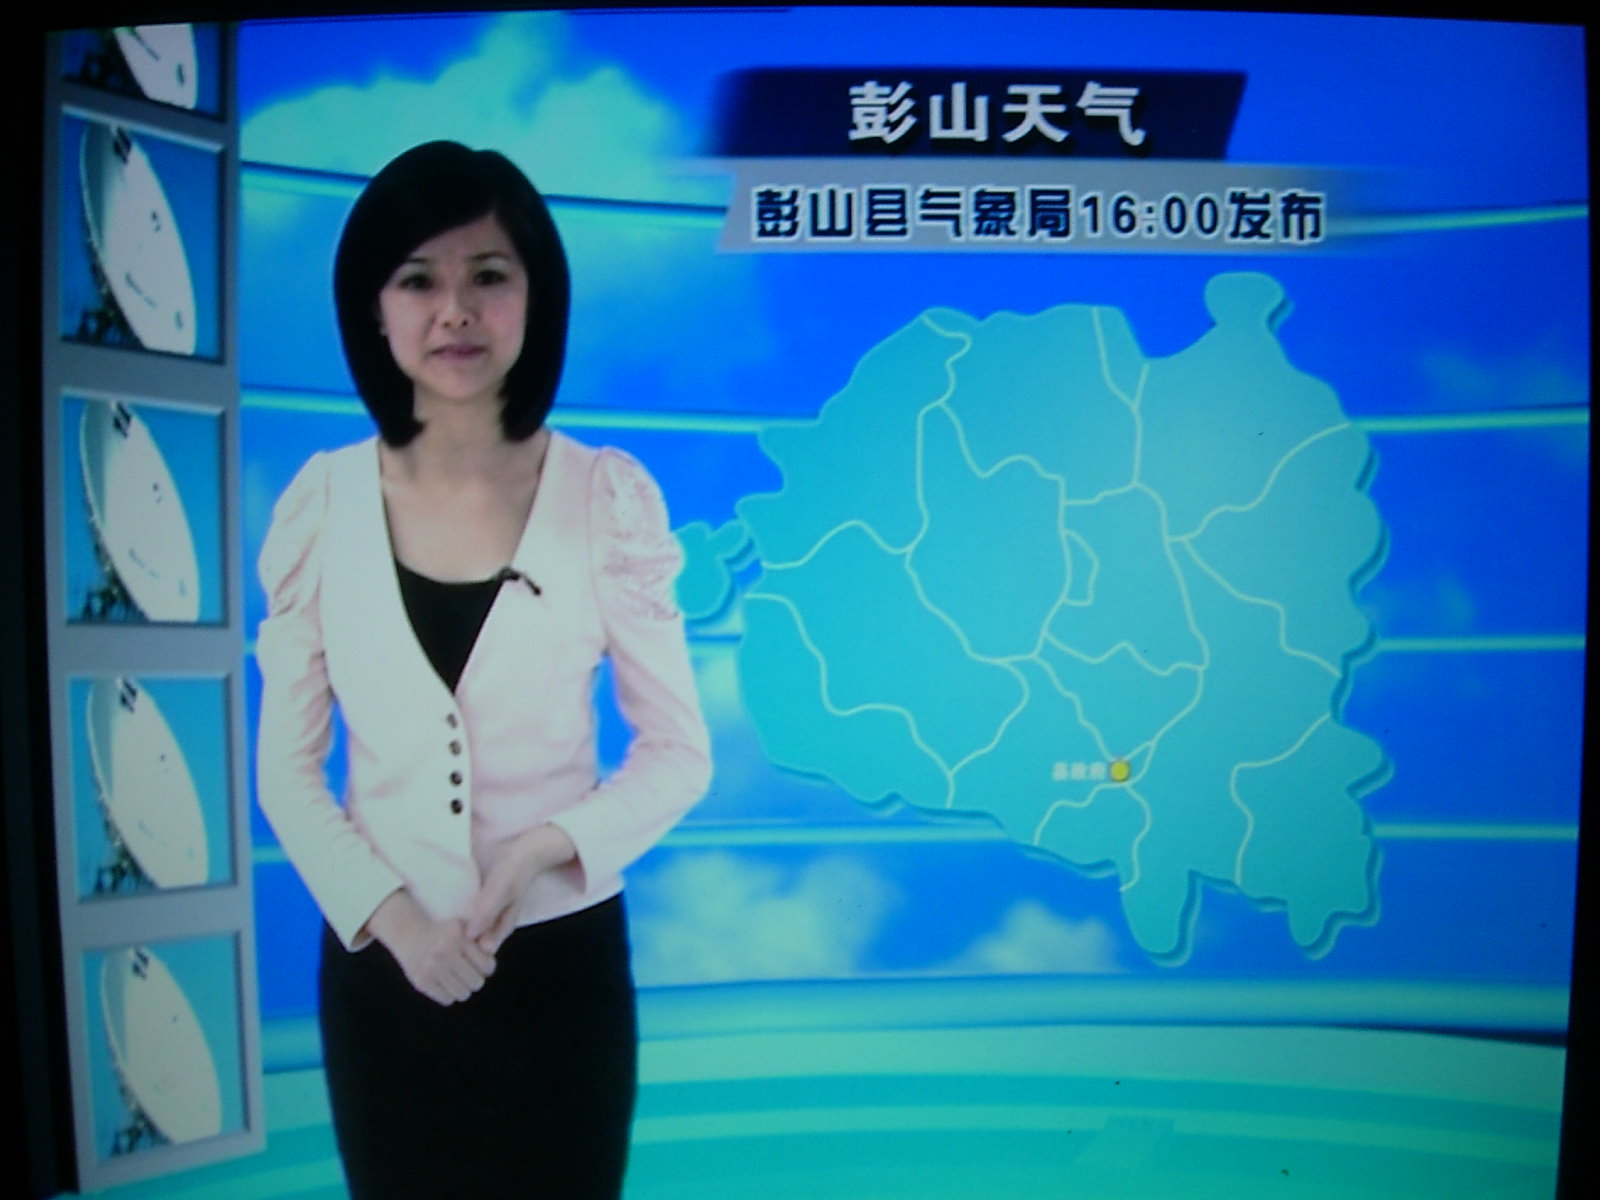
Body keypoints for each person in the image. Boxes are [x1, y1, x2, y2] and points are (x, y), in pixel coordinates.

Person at [254, 141, 711, 1199]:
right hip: (380, 968)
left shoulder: (605, 496)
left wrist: (543, 850)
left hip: (562, 970)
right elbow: (287, 772)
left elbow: (678, 752)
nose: (454, 310)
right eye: (418, 280)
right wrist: (400, 925)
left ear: (535, 298)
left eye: (488, 276)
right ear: (373, 308)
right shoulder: (320, 503)